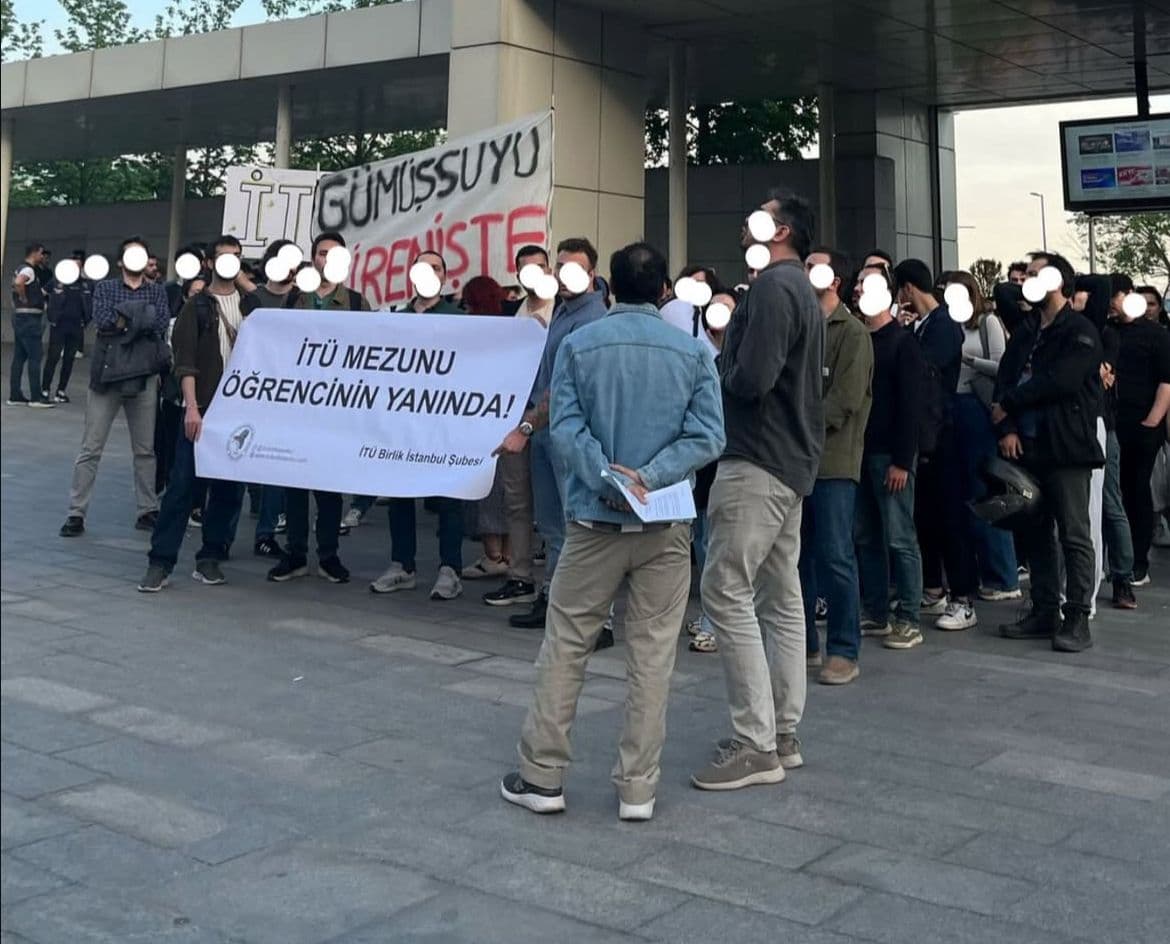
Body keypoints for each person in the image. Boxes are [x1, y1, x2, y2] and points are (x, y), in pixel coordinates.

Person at [499, 241, 724, 821]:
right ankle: (637, 788)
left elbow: (566, 429)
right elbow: (708, 437)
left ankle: (542, 776)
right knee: (652, 658)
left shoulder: (579, 343)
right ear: (664, 291)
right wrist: (648, 478)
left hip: (595, 520)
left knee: (566, 645)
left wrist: (607, 477)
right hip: (666, 520)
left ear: (611, 288)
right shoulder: (692, 353)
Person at [691, 191, 823, 792]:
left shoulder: (772, 288)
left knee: (725, 588)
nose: (748, 225)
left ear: (783, 229)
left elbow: (753, 379)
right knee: (780, 596)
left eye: (760, 218)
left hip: (757, 458)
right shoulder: (801, 290)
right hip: (789, 461)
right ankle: (782, 732)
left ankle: (755, 742)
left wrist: (720, 367)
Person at [492, 238, 610, 630]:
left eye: (573, 268)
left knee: (577, 525)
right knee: (556, 526)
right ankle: (555, 602)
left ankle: (594, 617)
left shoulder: (591, 319)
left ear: (592, 275)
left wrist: (526, 426)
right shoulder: (564, 310)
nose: (562, 275)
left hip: (565, 436)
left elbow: (563, 388)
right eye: (559, 266)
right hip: (548, 435)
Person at [994, 253, 1104, 653]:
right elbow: (1004, 379)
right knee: (1035, 529)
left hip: (1067, 447)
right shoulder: (1025, 331)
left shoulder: (1081, 330)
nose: (1030, 281)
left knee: (1074, 533)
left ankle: (1077, 616)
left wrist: (1011, 404)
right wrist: (1006, 426)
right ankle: (1044, 610)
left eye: (1040, 275)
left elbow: (1062, 380)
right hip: (1027, 446)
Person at [138, 236, 255, 592]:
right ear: (209, 262)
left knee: (228, 490)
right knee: (182, 487)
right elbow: (185, 363)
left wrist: (246, 283)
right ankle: (161, 561)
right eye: (223, 258)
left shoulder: (254, 307)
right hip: (203, 410)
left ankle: (210, 556)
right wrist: (191, 408)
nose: (229, 263)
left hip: (241, 414)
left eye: (236, 258)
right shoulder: (197, 307)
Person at [268, 232, 368, 585]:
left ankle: (328, 555)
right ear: (313, 258)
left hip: (336, 409)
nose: (328, 260)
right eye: (322, 253)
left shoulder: (357, 303)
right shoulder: (296, 297)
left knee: (329, 486)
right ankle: (295, 552)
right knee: (294, 484)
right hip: (297, 406)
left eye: (335, 254)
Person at [366, 251, 467, 601]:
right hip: (403, 424)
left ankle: (449, 569)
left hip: (444, 424)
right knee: (399, 495)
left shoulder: (459, 318)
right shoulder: (397, 317)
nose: (430, 273)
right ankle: (402, 566)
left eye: (436, 268)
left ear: (445, 275)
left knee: (448, 498)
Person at [59, 237, 170, 537]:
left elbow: (158, 323)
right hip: (106, 376)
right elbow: (104, 320)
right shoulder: (105, 287)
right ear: (121, 261)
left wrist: (126, 320)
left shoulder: (157, 290)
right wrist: (138, 319)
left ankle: (147, 509)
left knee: (145, 450)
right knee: (91, 448)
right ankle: (76, 513)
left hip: (144, 375)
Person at [799, 248, 873, 685]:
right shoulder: (801, 325)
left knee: (835, 554)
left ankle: (844, 647)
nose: (804, 272)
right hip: (797, 461)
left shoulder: (853, 333)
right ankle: (804, 641)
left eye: (812, 267)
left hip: (834, 461)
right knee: (797, 556)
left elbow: (844, 400)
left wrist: (796, 420)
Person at [894, 258, 978, 632]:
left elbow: (923, 372)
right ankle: (933, 588)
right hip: (923, 432)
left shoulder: (944, 326)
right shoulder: (922, 327)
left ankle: (963, 597)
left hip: (942, 430)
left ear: (908, 289)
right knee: (924, 514)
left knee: (949, 516)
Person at [851, 262, 926, 650]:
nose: (860, 290)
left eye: (869, 284)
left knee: (900, 537)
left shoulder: (903, 342)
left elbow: (912, 406)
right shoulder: (859, 338)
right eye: (859, 285)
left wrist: (902, 459)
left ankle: (909, 617)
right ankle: (876, 611)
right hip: (859, 453)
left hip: (890, 455)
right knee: (866, 536)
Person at [483, 248, 552, 609]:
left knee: (554, 506)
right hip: (514, 416)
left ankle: (556, 585)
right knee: (517, 502)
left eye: (539, 268)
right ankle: (520, 576)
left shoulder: (562, 313)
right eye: (525, 269)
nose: (532, 274)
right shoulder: (511, 314)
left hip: (551, 419)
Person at [952, 271, 1021, 601]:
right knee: (964, 490)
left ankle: (1004, 575)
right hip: (954, 405)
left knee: (986, 489)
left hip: (978, 406)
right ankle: (983, 570)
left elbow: (1002, 366)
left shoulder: (987, 322)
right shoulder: (947, 324)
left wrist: (968, 359)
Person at [1112, 276, 1170, 587]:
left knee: (1137, 490)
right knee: (1119, 492)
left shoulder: (1156, 334)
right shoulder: (1109, 331)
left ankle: (1138, 561)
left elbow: (1166, 381)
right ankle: (1121, 557)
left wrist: (1153, 420)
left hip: (1144, 424)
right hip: (1114, 422)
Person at [460, 276, 513, 581]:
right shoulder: (510, 328)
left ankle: (492, 555)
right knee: (508, 491)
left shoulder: (473, 330)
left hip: (478, 420)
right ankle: (507, 553)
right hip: (508, 418)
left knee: (486, 492)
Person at [41, 249, 93, 403]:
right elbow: (42, 292)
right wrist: (48, 310)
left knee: (69, 360)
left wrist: (87, 319)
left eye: (79, 266)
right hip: (59, 325)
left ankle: (61, 391)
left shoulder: (86, 284)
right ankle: (45, 389)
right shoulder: (57, 281)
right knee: (53, 358)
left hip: (76, 326)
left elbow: (94, 300)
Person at [9, 242, 55, 408]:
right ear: (35, 253)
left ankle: (15, 395)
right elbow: (19, 283)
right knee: (35, 357)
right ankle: (36, 397)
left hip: (21, 318)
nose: (43, 257)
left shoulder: (21, 268)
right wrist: (23, 298)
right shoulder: (28, 269)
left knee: (19, 357)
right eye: (41, 253)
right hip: (29, 319)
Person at [503, 244, 556, 325]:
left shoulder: (564, 309)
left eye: (540, 267)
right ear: (519, 277)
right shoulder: (508, 311)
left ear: (549, 272)